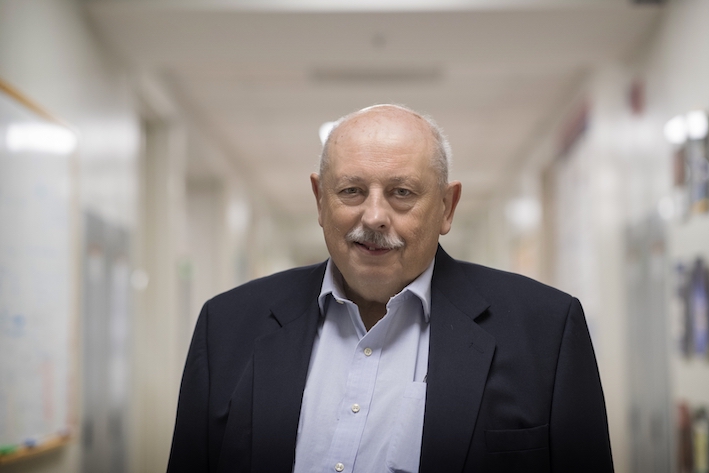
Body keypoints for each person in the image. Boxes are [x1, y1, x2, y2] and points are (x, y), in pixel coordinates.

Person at [167, 105, 614, 473]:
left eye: (401, 192)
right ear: (320, 200)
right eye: (351, 191)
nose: (375, 216)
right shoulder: (226, 326)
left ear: (446, 206)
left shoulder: (545, 331)